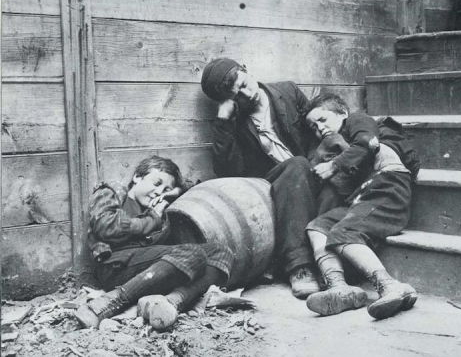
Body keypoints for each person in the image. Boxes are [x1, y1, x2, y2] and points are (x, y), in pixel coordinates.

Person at [200, 58, 321, 299]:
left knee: (300, 164)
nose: (246, 93)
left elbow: (317, 130)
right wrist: (223, 122)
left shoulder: (288, 91)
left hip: (315, 169)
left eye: (244, 84)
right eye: (237, 95)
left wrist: (321, 164)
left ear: (246, 70)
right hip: (274, 183)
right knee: (296, 166)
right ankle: (299, 268)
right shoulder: (235, 120)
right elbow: (228, 172)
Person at [75, 156, 234, 330]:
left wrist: (172, 194)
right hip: (116, 265)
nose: (159, 191)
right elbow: (107, 227)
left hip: (150, 269)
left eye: (166, 189)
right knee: (193, 254)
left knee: (220, 251)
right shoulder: (113, 192)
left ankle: (172, 302)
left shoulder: (158, 208)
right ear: (137, 177)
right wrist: (152, 218)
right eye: (156, 183)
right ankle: (110, 302)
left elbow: (190, 186)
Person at [301, 93, 420, 319]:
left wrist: (334, 166)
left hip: (388, 189)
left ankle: (390, 286)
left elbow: (367, 142)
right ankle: (339, 287)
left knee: (343, 232)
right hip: (363, 197)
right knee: (318, 226)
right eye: (314, 127)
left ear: (342, 113)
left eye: (323, 119)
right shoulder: (338, 145)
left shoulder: (358, 120)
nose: (319, 128)